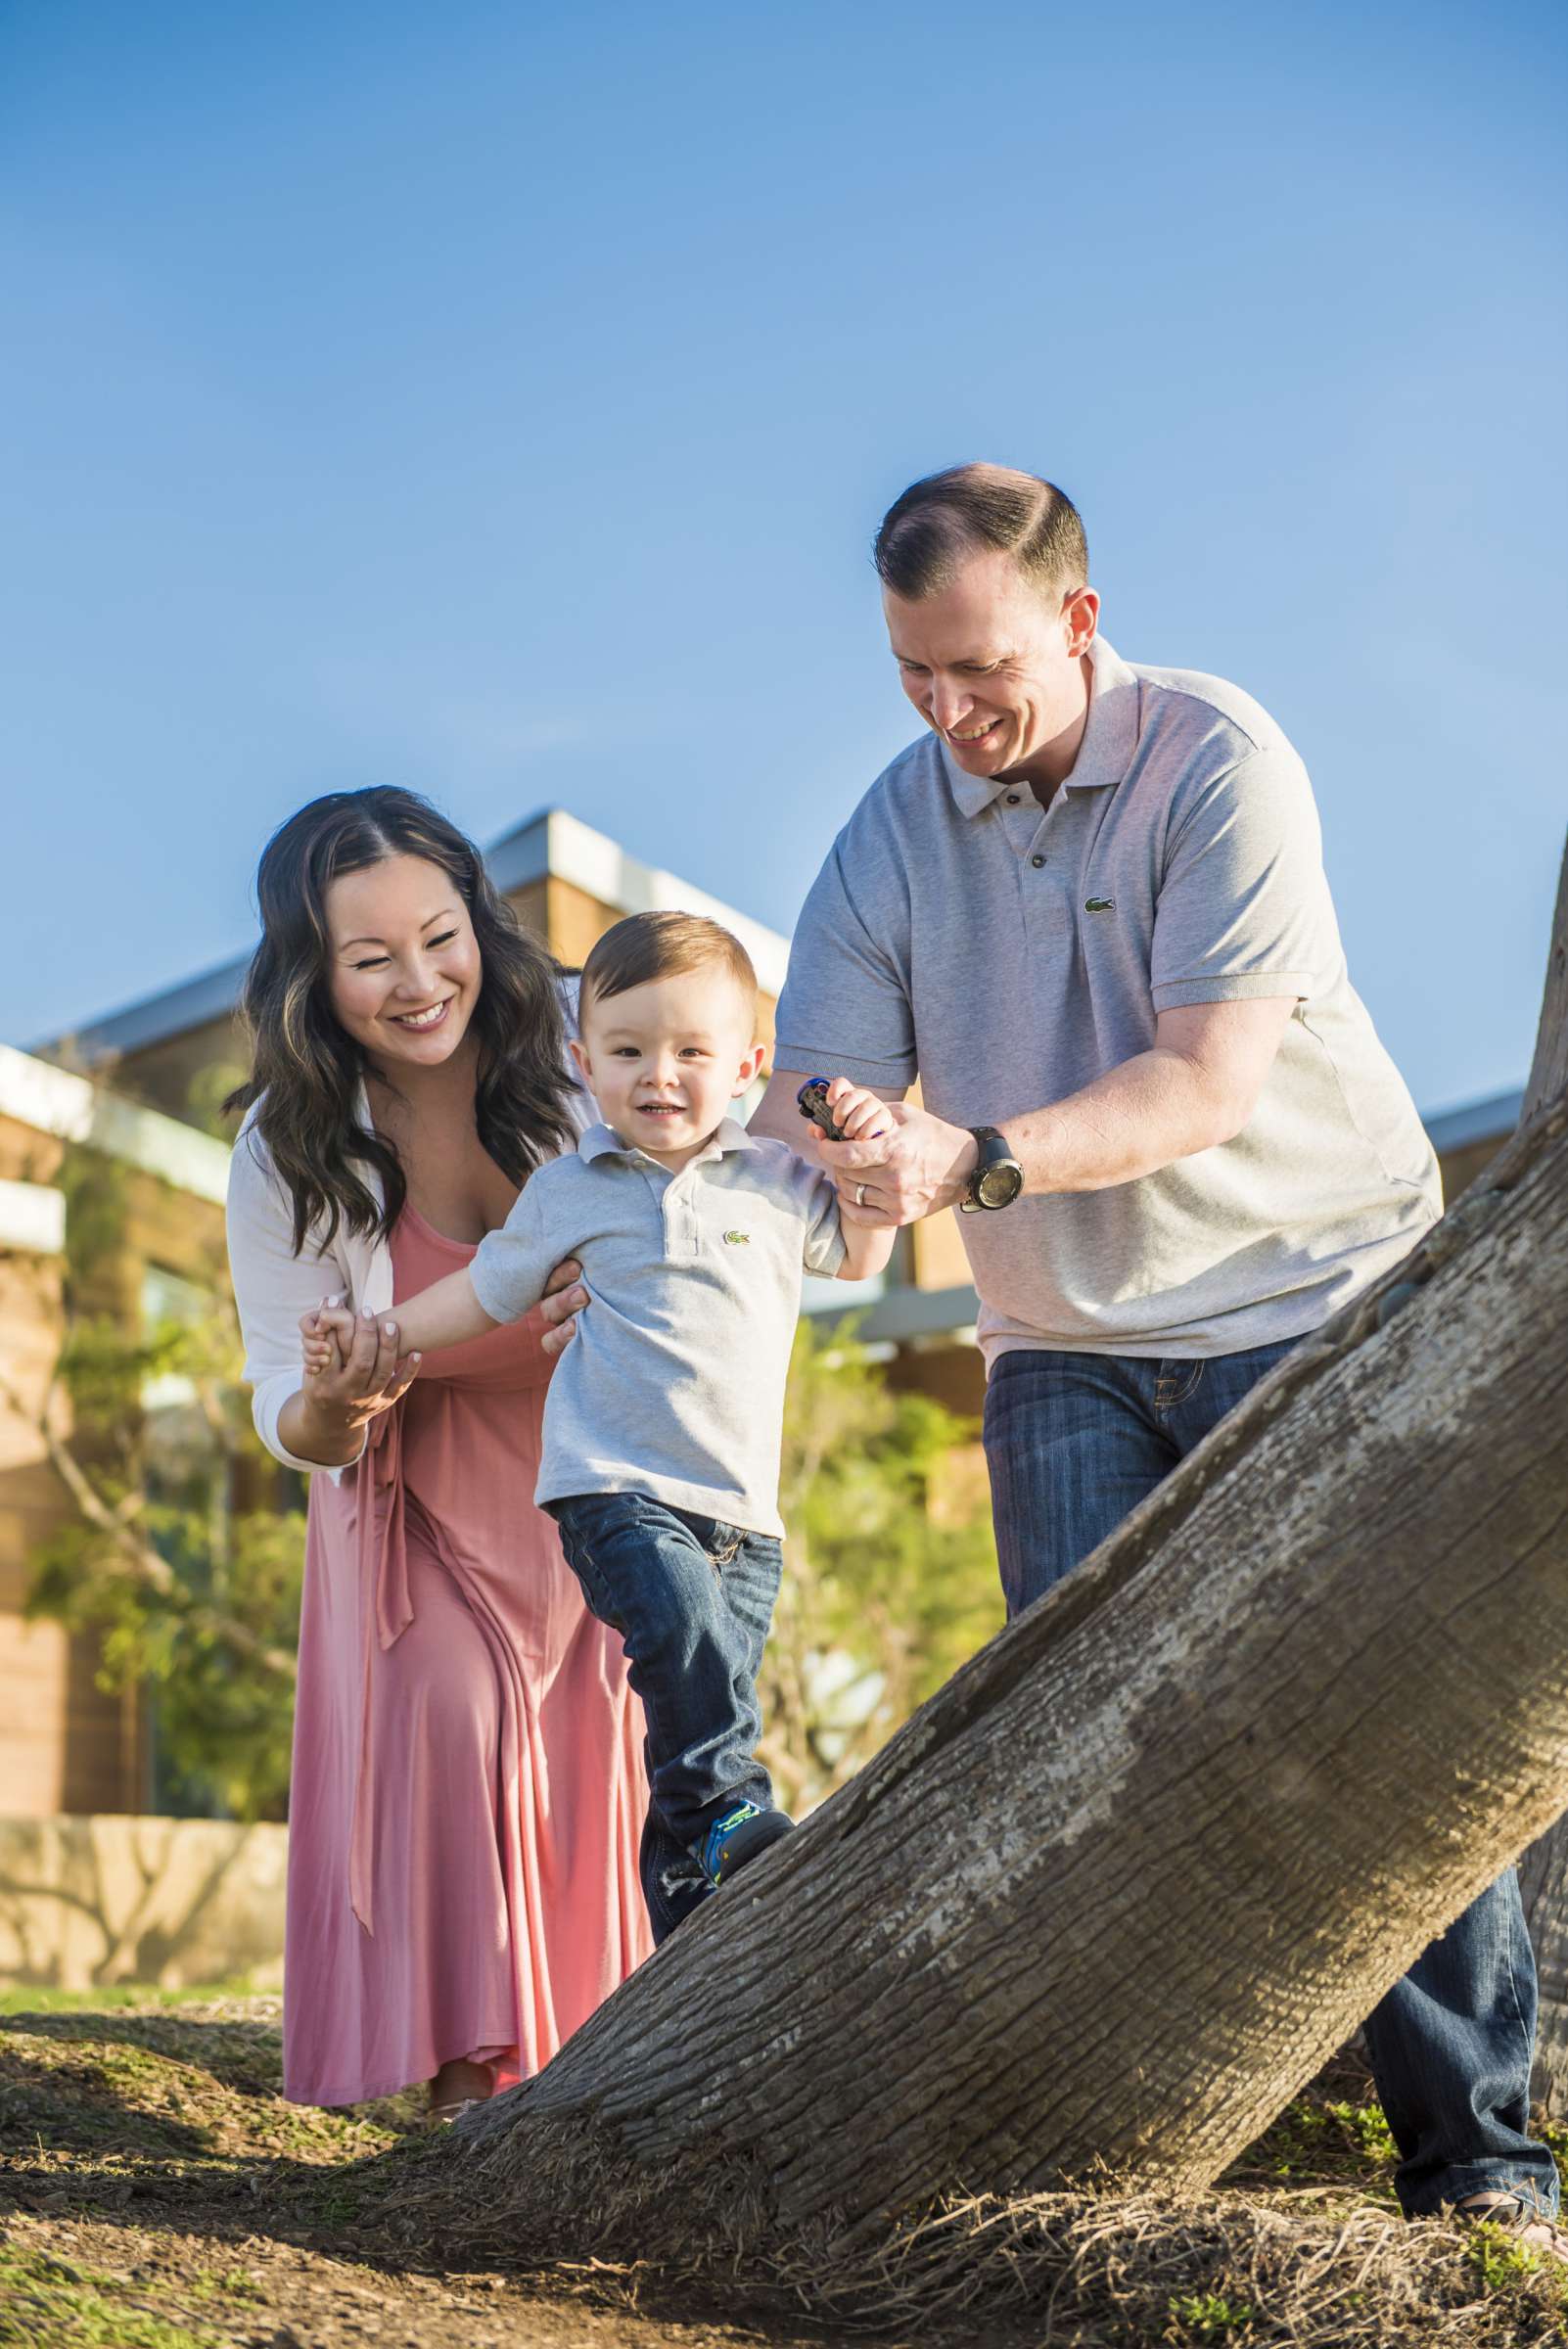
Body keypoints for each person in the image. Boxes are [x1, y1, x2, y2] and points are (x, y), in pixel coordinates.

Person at [746, 462, 1561, 2240]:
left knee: (1380, 1720)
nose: (948, 716)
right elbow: (820, 1077)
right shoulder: (889, 830)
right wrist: (841, 1126)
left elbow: (1205, 1083)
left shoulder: (1215, 759)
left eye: (979, 671)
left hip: (1310, 1294)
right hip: (1058, 1345)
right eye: (911, 676)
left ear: (1079, 620)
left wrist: (972, 1151)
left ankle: (1483, 2163)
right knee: (1085, 1740)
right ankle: (1111, 2156)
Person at [304, 909, 894, 1940]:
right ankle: (728, 1810)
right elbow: (485, 1292)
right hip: (612, 1484)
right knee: (680, 1633)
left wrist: (868, 1163)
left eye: (691, 1053)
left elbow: (862, 1254)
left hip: (743, 1513)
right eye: (627, 1052)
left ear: (749, 1065)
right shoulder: (571, 1188)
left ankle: (681, 1931)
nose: (659, 1075)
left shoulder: (780, 1179)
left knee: (691, 1694)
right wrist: (380, 1330)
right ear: (584, 1061)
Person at [225, 785, 653, 2120]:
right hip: (412, 1506)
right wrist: (338, 1403)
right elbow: (281, 1408)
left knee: (602, 1764)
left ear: (479, 916)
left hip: (592, 1483)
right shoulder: (284, 1146)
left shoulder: (582, 1059)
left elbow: (711, 1191)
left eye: (438, 935)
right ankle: (474, 2086)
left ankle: (594, 2079)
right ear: (313, 978)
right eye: (369, 961)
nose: (419, 983)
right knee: (461, 1730)